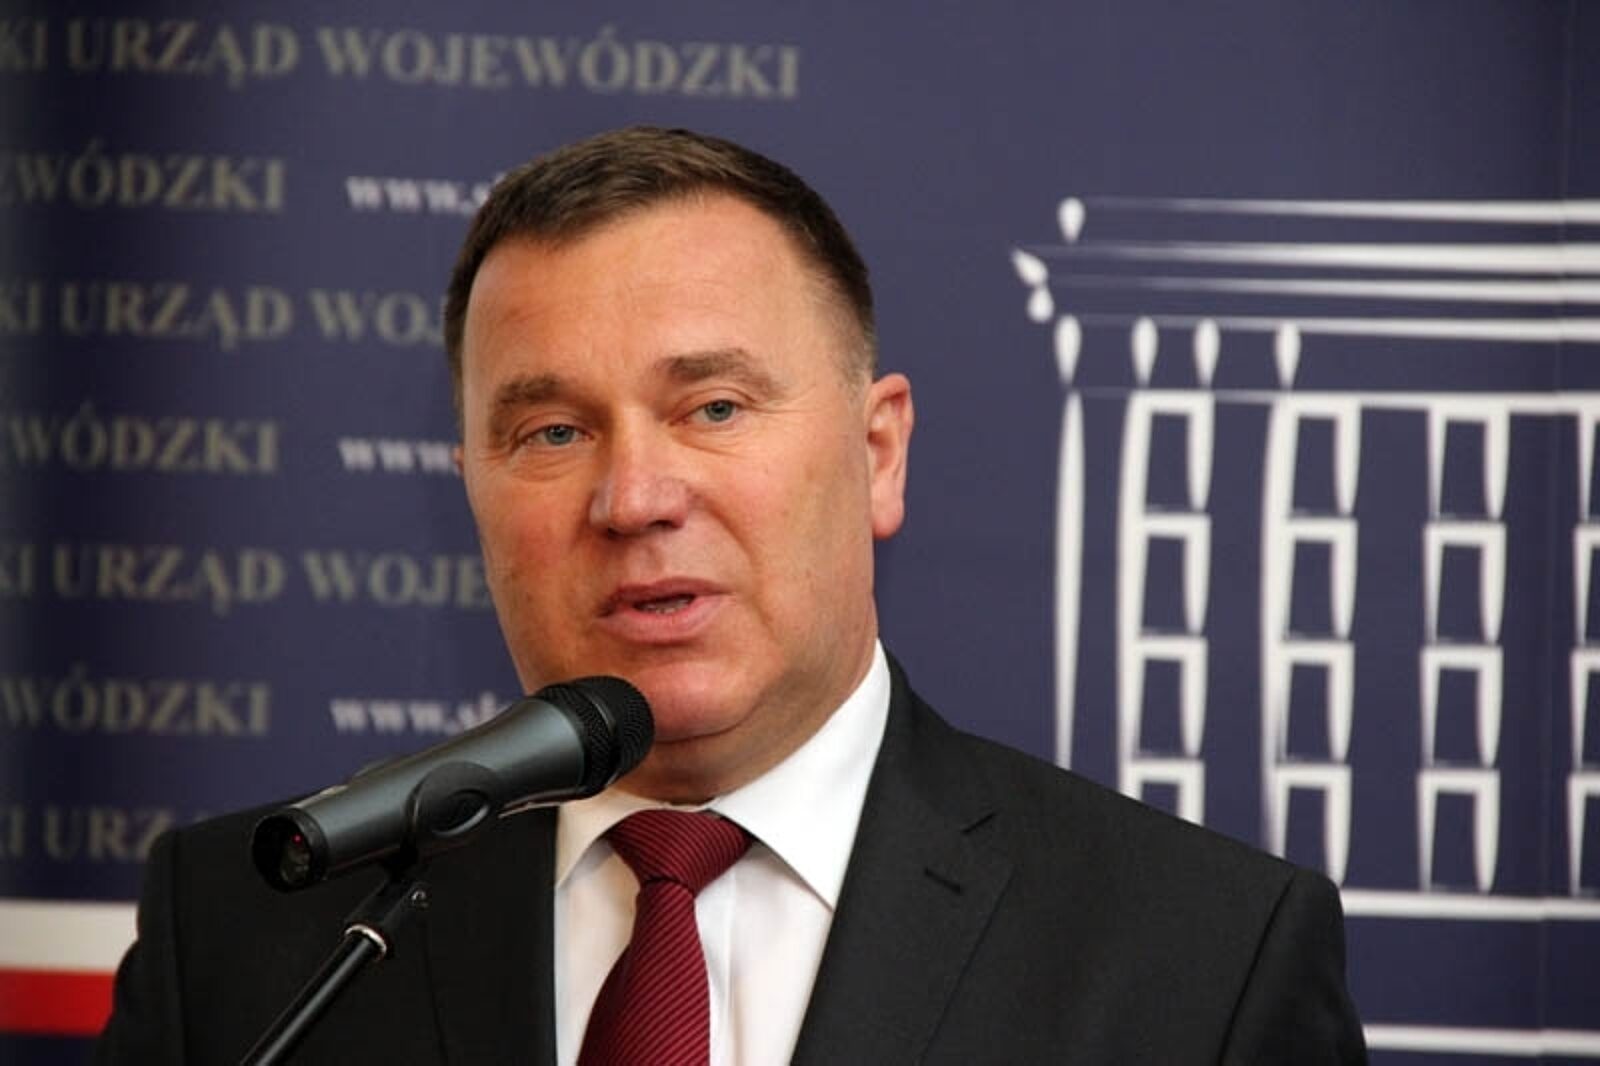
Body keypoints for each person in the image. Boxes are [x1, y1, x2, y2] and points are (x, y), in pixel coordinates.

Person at [95, 127, 1366, 1064]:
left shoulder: (1202, 963)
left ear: (877, 453)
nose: (633, 497)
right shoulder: (251, 932)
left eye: (712, 407)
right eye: (551, 432)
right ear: (470, 487)